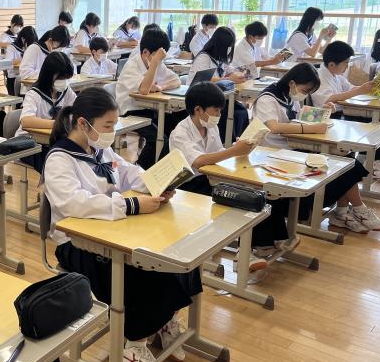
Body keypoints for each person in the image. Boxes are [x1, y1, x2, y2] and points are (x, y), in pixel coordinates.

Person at [44, 87, 200, 362]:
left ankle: (165, 319)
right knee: (142, 270)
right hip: (77, 244)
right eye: (107, 126)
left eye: (114, 125)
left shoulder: (100, 149)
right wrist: (131, 205)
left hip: (113, 231)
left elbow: (128, 172)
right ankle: (135, 345)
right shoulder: (59, 159)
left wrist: (155, 185)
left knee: (175, 253)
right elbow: (74, 204)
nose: (112, 132)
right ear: (82, 123)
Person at [169, 82, 297, 271]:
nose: (219, 115)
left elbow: (218, 153)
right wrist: (234, 151)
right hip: (191, 186)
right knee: (245, 199)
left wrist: (240, 148)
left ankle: (272, 240)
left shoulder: (209, 126)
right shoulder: (180, 133)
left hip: (212, 177)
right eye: (216, 110)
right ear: (198, 110)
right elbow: (199, 161)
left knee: (263, 190)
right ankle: (245, 254)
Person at [252, 63, 380, 233]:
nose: (305, 94)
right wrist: (312, 128)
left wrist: (321, 112)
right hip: (273, 154)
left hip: (292, 148)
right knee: (343, 166)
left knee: (346, 162)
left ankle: (346, 211)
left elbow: (297, 119)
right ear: (292, 83)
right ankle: (356, 210)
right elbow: (274, 127)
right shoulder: (267, 99)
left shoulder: (288, 95)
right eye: (305, 90)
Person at [311, 41, 380, 181]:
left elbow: (350, 88)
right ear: (332, 64)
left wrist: (367, 87)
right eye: (345, 63)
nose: (347, 66)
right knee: (375, 122)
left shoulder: (336, 76)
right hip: (331, 117)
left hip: (342, 113)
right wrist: (359, 91)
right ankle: (372, 163)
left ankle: (374, 162)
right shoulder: (320, 77)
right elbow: (328, 99)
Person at [115, 26, 184, 169]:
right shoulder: (132, 65)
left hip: (151, 110)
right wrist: (154, 63)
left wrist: (161, 87)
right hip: (131, 113)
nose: (159, 61)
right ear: (145, 52)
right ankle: (142, 170)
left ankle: (166, 169)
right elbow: (144, 89)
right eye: (157, 56)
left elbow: (176, 80)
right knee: (159, 140)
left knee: (178, 130)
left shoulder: (156, 62)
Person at [188, 26, 251, 142]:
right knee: (227, 113)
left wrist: (239, 75)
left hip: (218, 96)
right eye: (228, 47)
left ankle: (241, 141)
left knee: (241, 111)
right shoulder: (204, 57)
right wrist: (229, 79)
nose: (229, 50)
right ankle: (227, 143)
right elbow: (203, 80)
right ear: (220, 45)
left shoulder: (220, 58)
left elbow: (229, 71)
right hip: (202, 98)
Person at [16, 52, 75, 171]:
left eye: (67, 78)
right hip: (30, 143)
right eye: (61, 78)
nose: (64, 81)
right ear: (49, 75)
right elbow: (26, 121)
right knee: (57, 163)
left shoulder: (65, 91)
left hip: (52, 140)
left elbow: (78, 109)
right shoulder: (34, 94)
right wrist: (57, 124)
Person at [5, 25, 37, 96]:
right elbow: (8, 62)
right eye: (29, 43)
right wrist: (25, 58)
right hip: (14, 78)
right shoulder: (12, 47)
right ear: (22, 39)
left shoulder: (32, 48)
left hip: (28, 78)